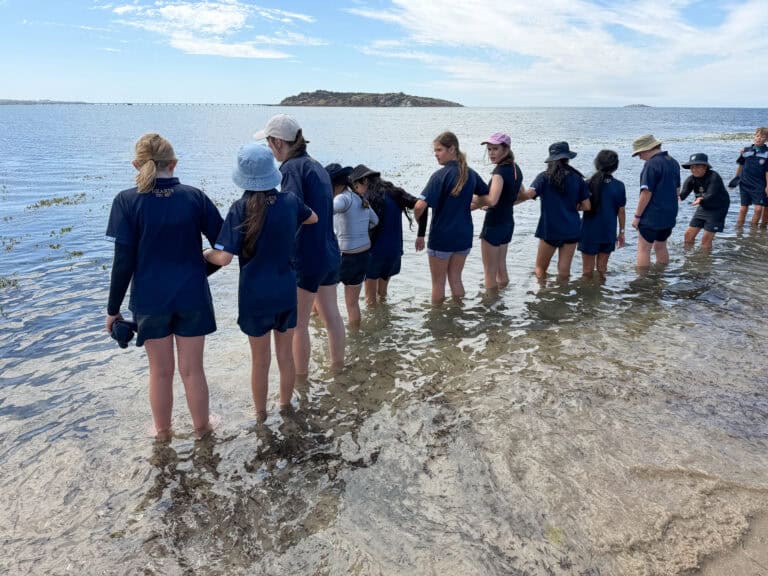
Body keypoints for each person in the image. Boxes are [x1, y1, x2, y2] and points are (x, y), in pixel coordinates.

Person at [105, 133, 223, 439]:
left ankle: (162, 432)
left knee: (160, 372)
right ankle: (203, 428)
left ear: (136, 164)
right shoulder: (195, 197)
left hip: (149, 300)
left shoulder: (126, 201)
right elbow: (224, 249)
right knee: (193, 370)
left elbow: (123, 262)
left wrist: (112, 310)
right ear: (174, 164)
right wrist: (203, 266)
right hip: (192, 297)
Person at [203, 144, 317, 419]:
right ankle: (285, 405)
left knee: (260, 361)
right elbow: (313, 218)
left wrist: (205, 253)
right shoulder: (290, 201)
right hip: (286, 289)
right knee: (285, 356)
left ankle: (260, 414)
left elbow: (225, 258)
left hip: (254, 294)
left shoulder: (240, 208)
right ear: (271, 174)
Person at [254, 114, 345, 375]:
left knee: (299, 324)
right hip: (329, 250)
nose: (270, 150)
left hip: (307, 255)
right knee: (332, 316)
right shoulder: (316, 165)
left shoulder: (291, 169)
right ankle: (337, 367)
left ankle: (301, 380)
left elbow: (291, 211)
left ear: (278, 142)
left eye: (269, 144)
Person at [414, 131, 490, 304]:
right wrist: (474, 205)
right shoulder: (470, 173)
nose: (436, 154)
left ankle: (438, 323)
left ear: (452, 149)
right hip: (463, 234)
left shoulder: (439, 176)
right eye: (435, 150)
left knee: (438, 284)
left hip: (442, 236)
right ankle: (459, 314)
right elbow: (487, 197)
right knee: (456, 278)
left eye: (439, 150)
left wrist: (419, 222)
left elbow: (419, 206)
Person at [348, 164, 427, 305]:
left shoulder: (365, 198)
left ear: (364, 181)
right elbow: (422, 205)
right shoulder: (395, 193)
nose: (356, 190)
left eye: (355, 186)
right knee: (382, 295)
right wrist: (421, 234)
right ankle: (385, 321)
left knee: (370, 300)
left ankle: (375, 326)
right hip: (394, 251)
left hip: (374, 253)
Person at [527, 142, 591, 280]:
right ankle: (563, 295)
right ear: (567, 158)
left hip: (550, 229)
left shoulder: (543, 177)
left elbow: (529, 194)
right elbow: (587, 206)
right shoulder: (577, 178)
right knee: (564, 270)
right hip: (572, 229)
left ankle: (542, 293)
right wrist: (573, 206)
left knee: (540, 268)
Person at [326, 163, 379, 327]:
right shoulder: (361, 200)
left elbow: (329, 209)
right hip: (363, 255)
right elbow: (375, 221)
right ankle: (356, 336)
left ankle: (321, 331)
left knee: (324, 300)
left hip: (345, 256)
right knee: (352, 304)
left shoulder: (342, 198)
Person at [474, 132, 526, 290]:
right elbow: (522, 195)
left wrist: (473, 200)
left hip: (494, 224)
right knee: (501, 268)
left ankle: (490, 310)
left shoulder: (498, 173)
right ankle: (502, 304)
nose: (491, 153)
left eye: (495, 149)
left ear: (506, 149)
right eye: (489, 149)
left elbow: (492, 199)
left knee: (489, 273)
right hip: (507, 223)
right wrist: (498, 204)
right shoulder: (515, 168)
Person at [630, 134, 681, 268]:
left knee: (643, 249)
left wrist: (637, 216)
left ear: (647, 149)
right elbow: (677, 191)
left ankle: (643, 282)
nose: (639, 157)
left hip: (652, 215)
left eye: (639, 153)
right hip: (670, 214)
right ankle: (661, 275)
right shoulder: (673, 162)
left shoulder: (651, 164)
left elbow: (646, 193)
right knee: (661, 246)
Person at [579, 150, 626, 278]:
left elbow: (580, 206)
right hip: (608, 232)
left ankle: (587, 295)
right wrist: (621, 232)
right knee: (602, 269)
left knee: (587, 271)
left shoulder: (587, 184)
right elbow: (621, 211)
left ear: (596, 163)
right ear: (615, 166)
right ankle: (601, 294)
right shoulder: (619, 186)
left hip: (589, 232)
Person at [679, 152, 730, 250]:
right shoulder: (691, 179)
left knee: (705, 240)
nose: (694, 170)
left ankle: (705, 262)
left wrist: (701, 199)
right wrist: (672, 197)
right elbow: (683, 195)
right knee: (688, 236)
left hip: (718, 208)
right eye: (692, 167)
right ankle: (688, 258)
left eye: (697, 166)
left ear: (705, 167)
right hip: (703, 206)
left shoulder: (714, 176)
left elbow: (711, 193)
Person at [732, 127, 768, 227]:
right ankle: (739, 230)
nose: (758, 138)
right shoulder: (746, 150)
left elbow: (767, 171)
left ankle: (753, 231)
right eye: (757, 136)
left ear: (766, 139)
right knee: (743, 209)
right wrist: (736, 178)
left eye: (762, 136)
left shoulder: (767, 153)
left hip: (759, 185)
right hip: (744, 183)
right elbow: (740, 165)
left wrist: (767, 186)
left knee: (758, 209)